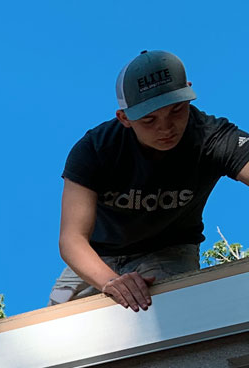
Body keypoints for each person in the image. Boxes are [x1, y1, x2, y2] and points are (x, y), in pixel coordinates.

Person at [51, 50, 249, 311]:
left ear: (188, 93)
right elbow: (71, 239)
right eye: (149, 119)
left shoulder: (212, 138)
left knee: (171, 317)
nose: (165, 127)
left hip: (169, 250)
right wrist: (111, 281)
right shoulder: (94, 150)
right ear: (125, 118)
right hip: (97, 255)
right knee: (58, 328)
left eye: (177, 110)